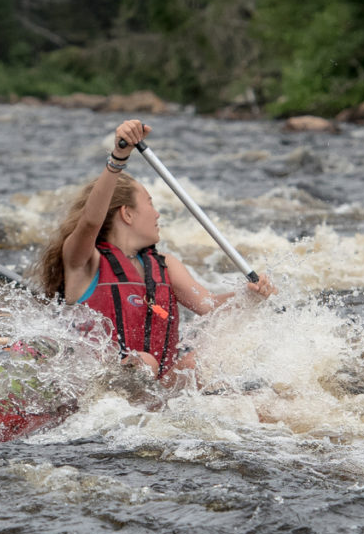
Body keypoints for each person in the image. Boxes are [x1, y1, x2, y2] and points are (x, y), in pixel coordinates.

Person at [32, 119, 276, 385]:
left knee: (196, 362)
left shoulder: (166, 266)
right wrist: (118, 157)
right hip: (99, 388)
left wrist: (250, 295)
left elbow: (210, 307)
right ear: (127, 213)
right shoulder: (85, 261)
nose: (157, 213)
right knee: (143, 362)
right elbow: (90, 222)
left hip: (158, 393)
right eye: (149, 203)